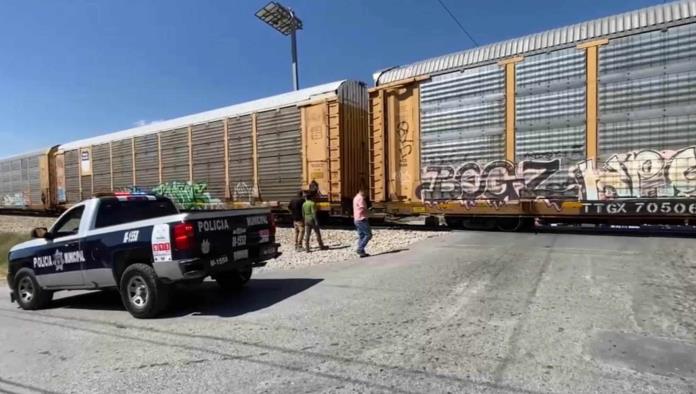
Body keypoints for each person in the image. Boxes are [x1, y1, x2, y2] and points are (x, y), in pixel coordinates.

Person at [353, 188, 372, 258]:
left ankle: (362, 253)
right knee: (368, 235)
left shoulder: (356, 197)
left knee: (361, 236)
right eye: (366, 192)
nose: (367, 194)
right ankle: (360, 249)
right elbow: (362, 208)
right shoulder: (360, 198)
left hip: (357, 219)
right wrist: (369, 211)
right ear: (362, 191)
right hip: (362, 219)